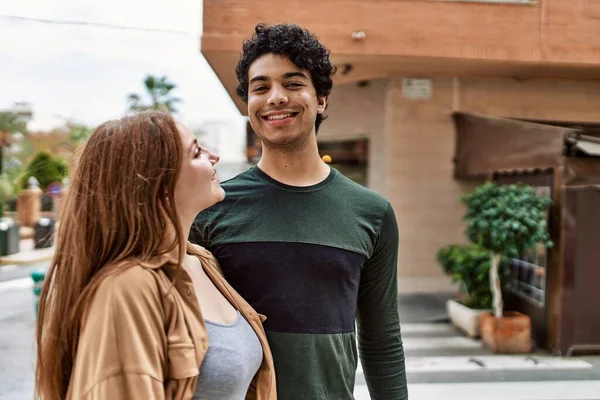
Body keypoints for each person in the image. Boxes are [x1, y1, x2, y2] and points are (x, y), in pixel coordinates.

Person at [191, 23, 408, 399]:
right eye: (260, 88)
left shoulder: (373, 213)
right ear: (248, 104)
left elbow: (382, 338)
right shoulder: (212, 210)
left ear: (321, 98)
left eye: (293, 84)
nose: (275, 97)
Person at [35, 112, 276, 400]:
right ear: (158, 185)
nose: (214, 156)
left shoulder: (201, 261)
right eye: (196, 152)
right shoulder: (128, 287)